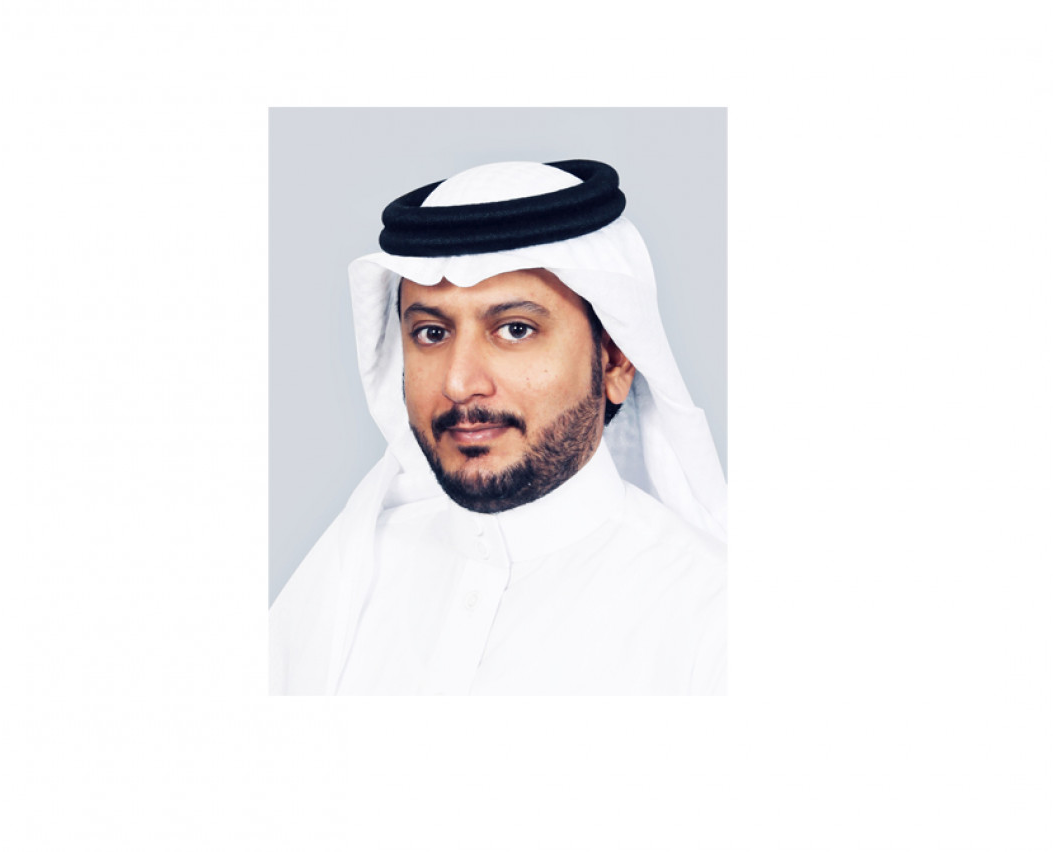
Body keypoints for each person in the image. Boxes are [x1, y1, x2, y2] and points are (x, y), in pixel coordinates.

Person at [270, 159, 727, 695]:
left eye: (515, 330)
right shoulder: (344, 582)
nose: (459, 383)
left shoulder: (712, 620)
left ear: (615, 360)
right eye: (432, 333)